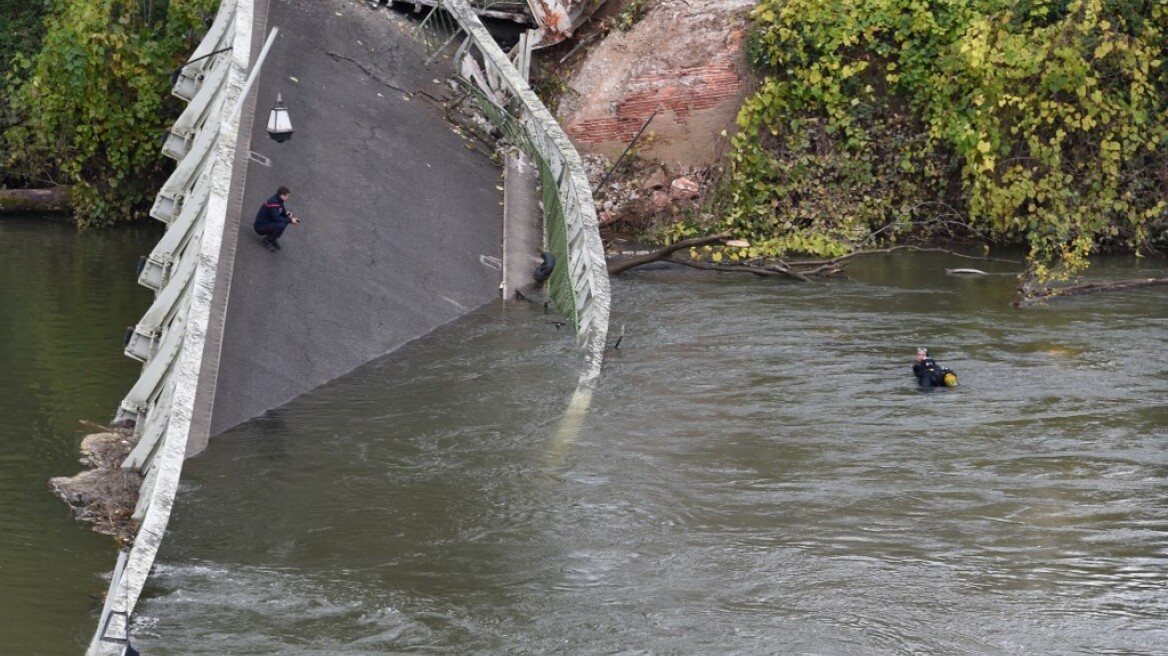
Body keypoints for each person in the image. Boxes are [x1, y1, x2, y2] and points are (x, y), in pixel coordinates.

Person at [253, 186, 299, 250]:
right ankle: (266, 241)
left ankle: (273, 238)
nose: (288, 198)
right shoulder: (273, 202)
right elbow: (276, 218)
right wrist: (290, 220)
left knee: (285, 220)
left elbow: (281, 211)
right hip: (260, 226)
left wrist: (286, 214)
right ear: (282, 195)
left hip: (268, 222)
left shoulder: (279, 201)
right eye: (287, 196)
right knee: (282, 223)